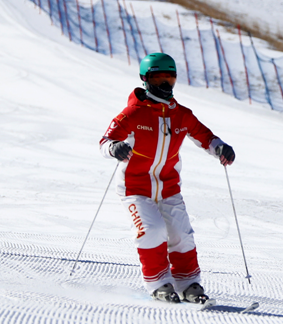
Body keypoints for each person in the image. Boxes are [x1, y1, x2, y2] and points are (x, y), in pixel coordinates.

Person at [99, 53, 235, 304]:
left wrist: (221, 148)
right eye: (158, 77)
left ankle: (189, 284)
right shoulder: (133, 113)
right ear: (145, 79)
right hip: (135, 187)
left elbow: (205, 136)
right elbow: (105, 142)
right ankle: (159, 284)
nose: (165, 83)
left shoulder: (181, 114)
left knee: (181, 234)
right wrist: (114, 148)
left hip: (168, 187)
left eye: (169, 77)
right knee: (151, 231)